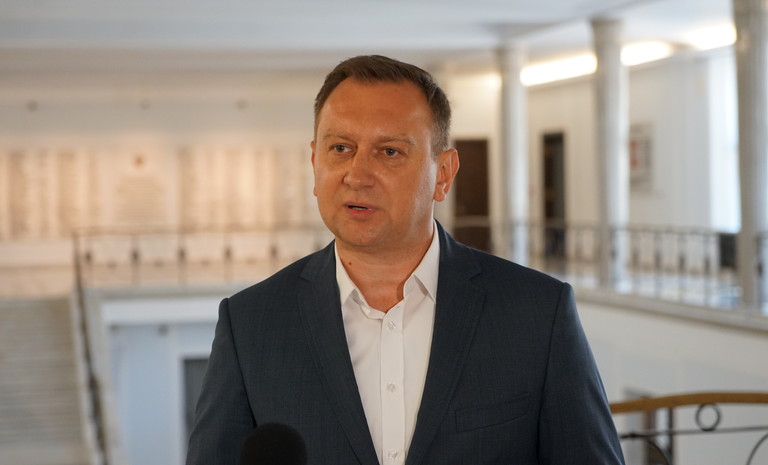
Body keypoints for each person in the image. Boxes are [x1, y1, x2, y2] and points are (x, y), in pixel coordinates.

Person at [186, 55, 625, 465]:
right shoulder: (250, 325)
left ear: (444, 174)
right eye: (340, 148)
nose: (357, 175)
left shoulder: (537, 313)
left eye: (390, 151)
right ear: (315, 162)